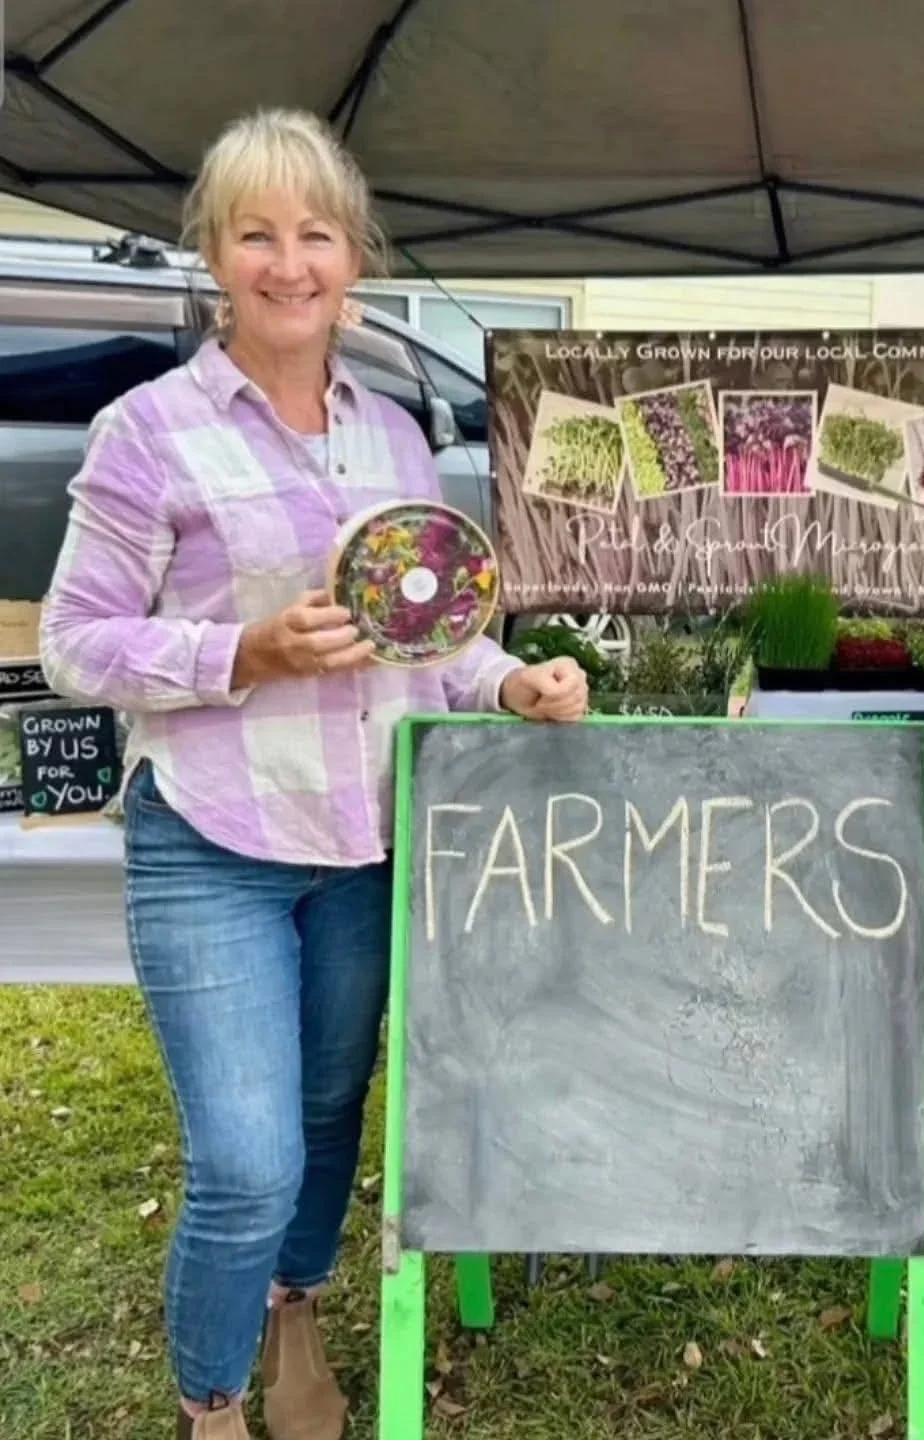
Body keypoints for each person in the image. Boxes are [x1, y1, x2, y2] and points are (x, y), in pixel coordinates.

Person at [38, 108, 588, 1440]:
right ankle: (211, 1402)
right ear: (213, 256)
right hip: (212, 837)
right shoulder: (147, 432)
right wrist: (248, 652)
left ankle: (297, 1307)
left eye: (316, 235)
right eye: (257, 236)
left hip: (365, 838)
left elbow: (426, 627)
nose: (289, 264)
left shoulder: (394, 436)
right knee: (246, 1158)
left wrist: (509, 680)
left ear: (355, 257)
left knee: (332, 1105)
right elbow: (74, 643)